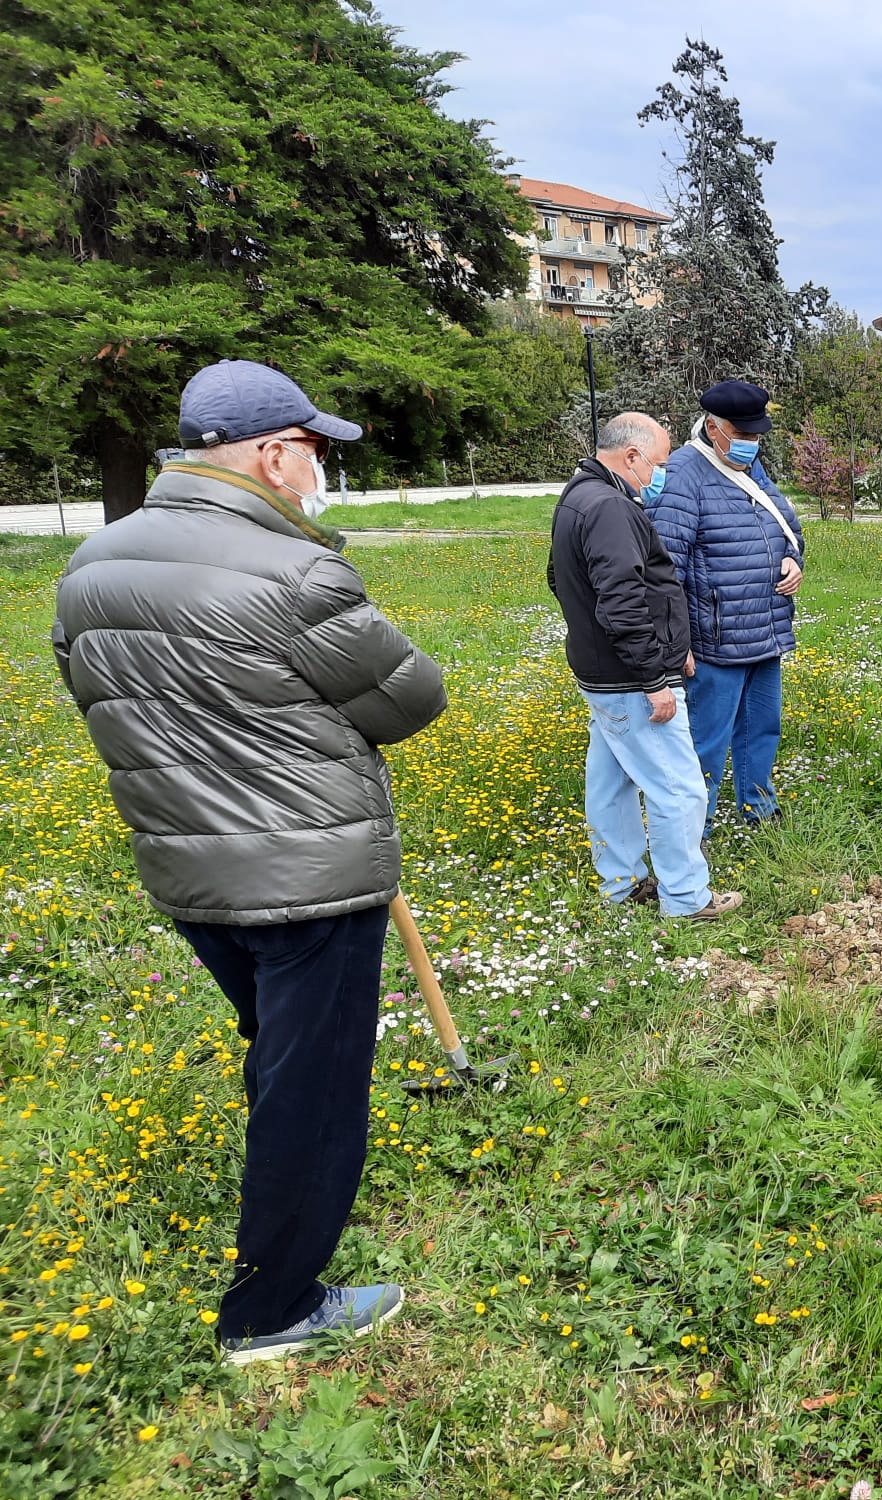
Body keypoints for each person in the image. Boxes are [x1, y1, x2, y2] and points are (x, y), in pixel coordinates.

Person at [51, 360, 448, 1364]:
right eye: (313, 450)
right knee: (310, 1086)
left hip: (187, 866)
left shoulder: (94, 563)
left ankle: (276, 1244)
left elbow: (92, 691)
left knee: (276, 1057)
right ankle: (273, 1309)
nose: (318, 470)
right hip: (306, 874)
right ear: (271, 452)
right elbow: (408, 700)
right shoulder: (295, 572)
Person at [548, 412, 742, 921]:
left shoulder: (578, 495)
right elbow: (623, 601)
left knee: (610, 785)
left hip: (603, 672)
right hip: (631, 678)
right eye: (658, 463)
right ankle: (686, 899)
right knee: (679, 788)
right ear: (631, 456)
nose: (661, 474)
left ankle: (622, 884)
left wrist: (671, 643)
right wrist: (654, 676)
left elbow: (559, 578)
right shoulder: (610, 507)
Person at [648, 379, 805, 831]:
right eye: (742, 436)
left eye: (757, 436)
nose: (751, 445)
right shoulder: (682, 476)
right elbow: (665, 570)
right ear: (713, 429)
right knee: (707, 741)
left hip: (765, 633)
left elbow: (789, 530)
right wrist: (678, 646)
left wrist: (794, 561)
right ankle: (696, 827)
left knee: (761, 730)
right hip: (714, 640)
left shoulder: (751, 470)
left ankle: (759, 809)